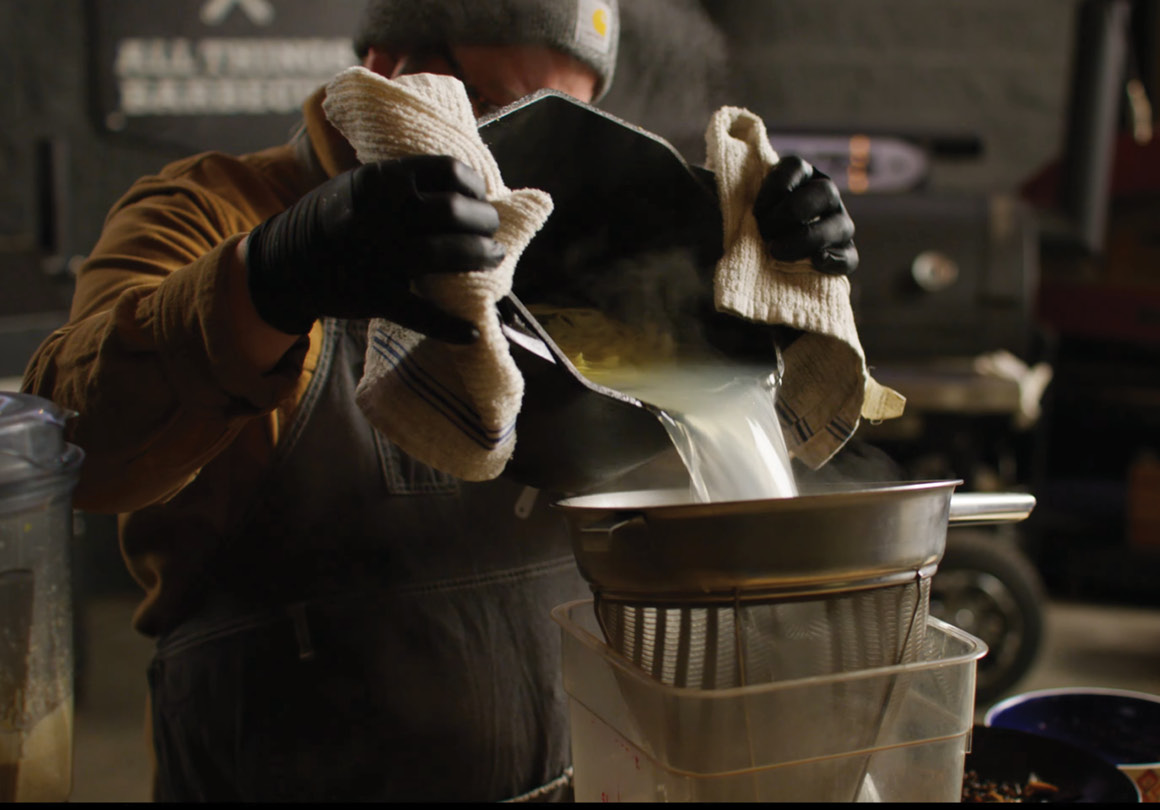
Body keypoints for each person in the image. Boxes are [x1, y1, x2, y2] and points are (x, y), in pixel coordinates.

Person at [23, 0, 858, 802]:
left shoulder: (569, 248)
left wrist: (772, 285)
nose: (515, 167)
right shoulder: (210, 210)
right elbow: (78, 440)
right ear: (388, 66)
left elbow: (692, 443)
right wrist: (274, 277)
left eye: (559, 122)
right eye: (494, 110)